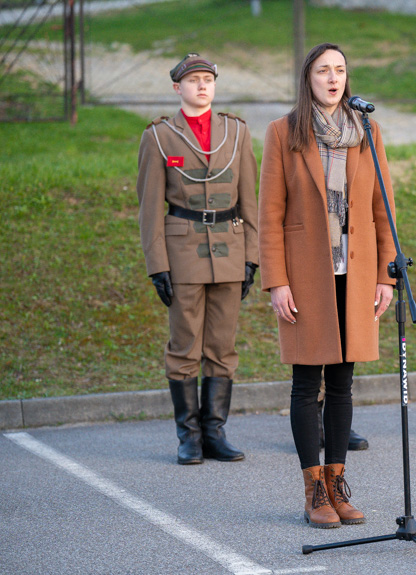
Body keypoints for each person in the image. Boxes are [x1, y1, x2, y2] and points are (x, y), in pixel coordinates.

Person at [258, 43, 396, 529]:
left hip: (354, 273)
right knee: (305, 384)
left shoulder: (366, 130)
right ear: (308, 78)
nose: (333, 78)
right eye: (323, 71)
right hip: (305, 275)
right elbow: (269, 215)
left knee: (342, 384)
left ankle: (337, 484)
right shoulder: (284, 132)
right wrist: (276, 281)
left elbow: (382, 208)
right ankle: (312, 487)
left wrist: (385, 274)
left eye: (340, 70)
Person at [136, 53, 259, 464]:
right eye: (193, 80)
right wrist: (158, 264)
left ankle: (215, 432)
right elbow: (149, 207)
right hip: (183, 250)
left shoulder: (237, 133)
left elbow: (251, 202)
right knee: (185, 345)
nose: (202, 86)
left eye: (208, 79)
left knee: (222, 346)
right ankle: (188, 436)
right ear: (178, 88)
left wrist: (252, 257)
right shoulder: (159, 137)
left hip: (230, 246)